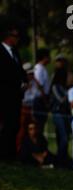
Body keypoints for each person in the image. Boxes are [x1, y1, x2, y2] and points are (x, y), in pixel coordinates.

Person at [0, 21, 27, 160]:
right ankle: (3, 155)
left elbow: (20, 71)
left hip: (16, 96)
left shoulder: (15, 52)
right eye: (15, 36)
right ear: (8, 36)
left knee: (14, 125)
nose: (17, 39)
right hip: (4, 95)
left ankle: (10, 155)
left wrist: (25, 82)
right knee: (5, 125)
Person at [50, 67, 71, 167]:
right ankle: (58, 160)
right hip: (58, 113)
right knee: (64, 138)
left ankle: (63, 159)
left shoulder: (65, 87)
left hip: (65, 114)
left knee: (62, 137)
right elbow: (61, 100)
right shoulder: (55, 87)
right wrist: (69, 94)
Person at [32, 48, 51, 134]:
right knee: (39, 125)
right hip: (40, 99)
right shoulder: (39, 69)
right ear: (44, 57)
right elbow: (40, 85)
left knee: (42, 125)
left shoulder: (43, 68)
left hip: (42, 98)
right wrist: (45, 101)